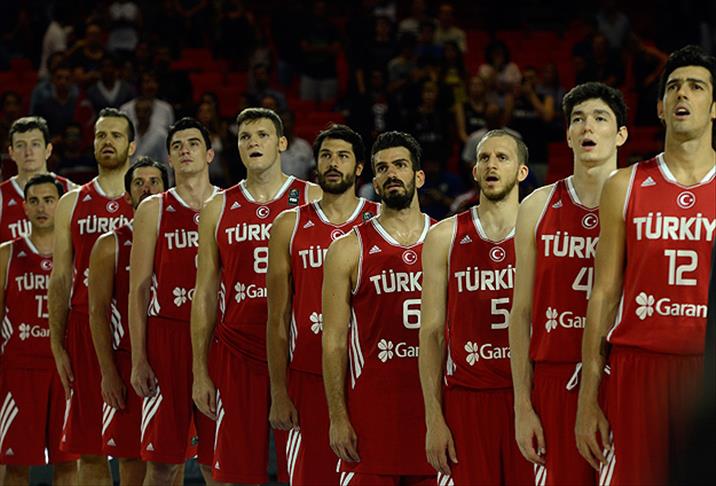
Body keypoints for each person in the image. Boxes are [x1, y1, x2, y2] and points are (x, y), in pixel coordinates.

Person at [576, 45, 715, 485]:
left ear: (715, 107)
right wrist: (588, 397)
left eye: (696, 87)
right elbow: (603, 292)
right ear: (659, 107)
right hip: (638, 368)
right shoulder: (624, 185)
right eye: (673, 87)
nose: (683, 94)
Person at [191, 107, 321, 483]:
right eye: (245, 137)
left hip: (296, 350)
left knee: (306, 469)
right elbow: (204, 294)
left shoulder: (311, 197)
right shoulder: (217, 207)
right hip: (237, 350)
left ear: (281, 143)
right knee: (234, 472)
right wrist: (200, 371)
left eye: (262, 135)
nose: (253, 143)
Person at [508, 82, 628, 485]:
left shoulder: (639, 202)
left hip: (620, 371)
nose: (587, 126)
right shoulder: (536, 206)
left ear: (621, 134)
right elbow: (520, 313)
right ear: (568, 135)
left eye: (599, 118)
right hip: (554, 375)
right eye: (578, 119)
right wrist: (522, 405)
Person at [266, 125, 379, 485]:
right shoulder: (289, 224)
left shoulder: (379, 221)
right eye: (326, 156)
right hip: (307, 374)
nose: (333, 163)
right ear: (315, 165)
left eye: (343, 156)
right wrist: (279, 391)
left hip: (367, 377)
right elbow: (277, 318)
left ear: (359, 167)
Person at [419, 130, 532, 485]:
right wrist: (434, 419)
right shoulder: (444, 236)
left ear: (522, 171)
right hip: (466, 400)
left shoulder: (541, 232)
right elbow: (432, 334)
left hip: (528, 397)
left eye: (502, 157)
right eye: (484, 158)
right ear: (474, 171)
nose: (491, 165)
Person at [322, 131, 434, 485]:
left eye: (400, 165)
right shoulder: (347, 248)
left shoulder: (445, 240)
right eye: (382, 168)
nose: (391, 174)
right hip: (371, 414)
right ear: (373, 180)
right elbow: (333, 341)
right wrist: (337, 416)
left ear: (419, 176)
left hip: (434, 414)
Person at [128, 118, 218, 485]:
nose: (185, 150)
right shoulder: (154, 208)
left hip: (218, 337)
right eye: (177, 145)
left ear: (209, 154)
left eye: (193, 143)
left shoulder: (229, 203)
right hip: (168, 339)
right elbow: (138, 289)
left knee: (219, 462)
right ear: (169, 158)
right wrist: (138, 358)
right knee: (162, 463)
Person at [48, 108, 134, 484]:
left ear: (132, 146)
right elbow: (60, 277)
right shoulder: (72, 201)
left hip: (136, 329)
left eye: (116, 135)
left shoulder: (148, 199)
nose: (107, 141)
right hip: (84, 328)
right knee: (90, 447)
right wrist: (57, 343)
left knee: (140, 448)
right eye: (101, 135)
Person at [88, 157, 168, 485]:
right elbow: (97, 313)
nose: (146, 188)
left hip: (172, 361)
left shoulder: (188, 238)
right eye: (138, 183)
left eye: (154, 182)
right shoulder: (110, 244)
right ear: (127, 196)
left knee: (173, 461)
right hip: (126, 363)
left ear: (167, 192)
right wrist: (108, 373)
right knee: (132, 463)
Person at [0, 174, 78, 484]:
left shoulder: (78, 253)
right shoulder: (6, 253)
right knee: (16, 464)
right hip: (19, 371)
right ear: (24, 207)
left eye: (48, 200)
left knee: (69, 463)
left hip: (67, 369)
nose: (41, 207)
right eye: (34, 201)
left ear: (61, 204)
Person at [1, 116, 75, 242]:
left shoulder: (70, 192)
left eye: (35, 144)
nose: (28, 152)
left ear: (48, 150)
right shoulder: (2, 197)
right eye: (20, 145)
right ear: (11, 152)